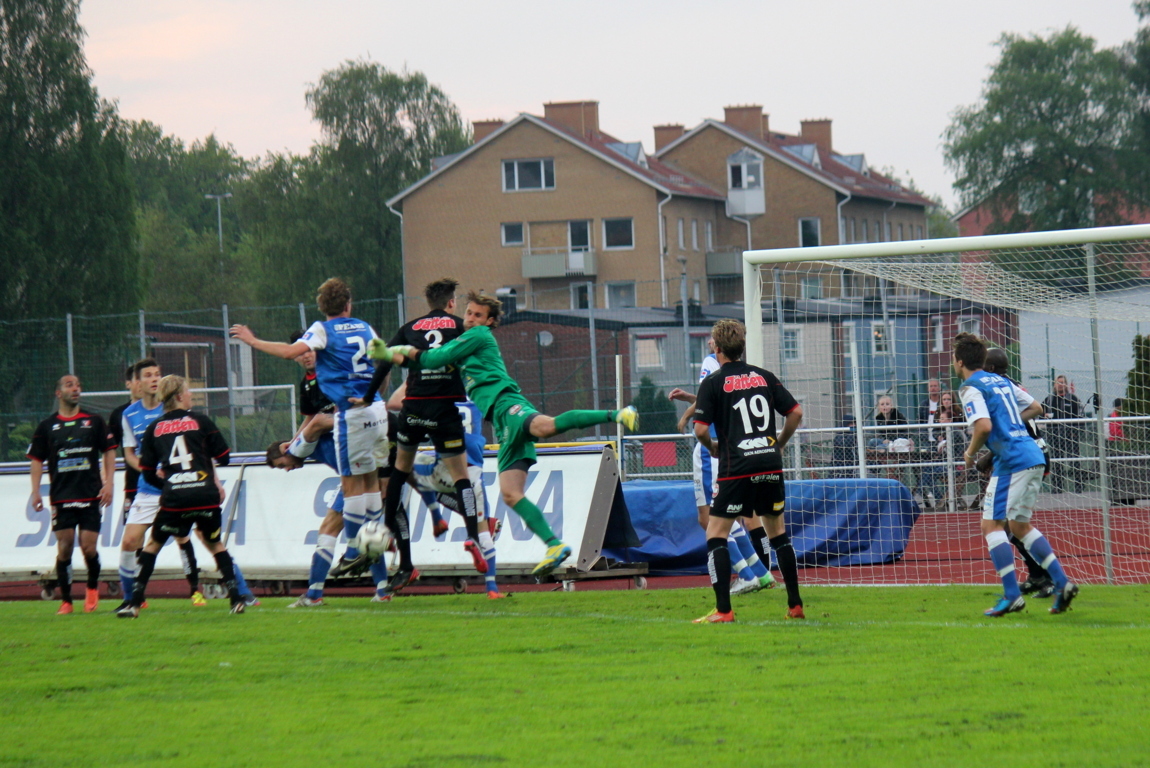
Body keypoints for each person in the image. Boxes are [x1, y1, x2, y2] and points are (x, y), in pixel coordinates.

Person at [377, 290, 639, 578]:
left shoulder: (477, 335)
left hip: (506, 403)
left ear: (489, 321)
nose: (470, 318)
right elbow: (428, 361)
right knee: (512, 494)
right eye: (468, 313)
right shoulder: (465, 340)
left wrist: (393, 352)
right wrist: (397, 356)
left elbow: (434, 357)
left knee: (545, 426)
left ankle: (617, 414)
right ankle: (554, 545)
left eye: (478, 315)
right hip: (500, 423)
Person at [230, 277, 389, 588]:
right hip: (378, 411)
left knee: (352, 487)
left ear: (323, 307)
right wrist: (372, 395)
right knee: (371, 485)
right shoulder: (365, 327)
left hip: (351, 415)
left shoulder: (323, 330)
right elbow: (384, 361)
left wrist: (253, 341)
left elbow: (289, 352)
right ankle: (375, 561)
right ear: (348, 304)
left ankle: (355, 551)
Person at [343, 278, 487, 586]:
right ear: (451, 302)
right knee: (461, 478)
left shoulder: (410, 327)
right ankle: (473, 538)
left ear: (429, 303)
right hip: (444, 409)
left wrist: (368, 396)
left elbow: (385, 361)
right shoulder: (462, 326)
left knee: (398, 473)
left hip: (414, 408)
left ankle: (394, 545)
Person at [954, 333, 1078, 617]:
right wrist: (1011, 425)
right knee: (1019, 526)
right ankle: (1061, 583)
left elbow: (983, 427)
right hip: (1035, 455)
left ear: (959, 362)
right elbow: (1036, 408)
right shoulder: (1001, 381)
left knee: (991, 526)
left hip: (1012, 460)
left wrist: (970, 453)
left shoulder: (970, 387)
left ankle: (1012, 595)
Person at [690, 319, 804, 623]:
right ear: (742, 346)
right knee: (778, 534)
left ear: (717, 348)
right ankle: (795, 606)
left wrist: (713, 447)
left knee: (716, 534)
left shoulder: (713, 382)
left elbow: (700, 430)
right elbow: (796, 412)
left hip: (736, 466)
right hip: (769, 462)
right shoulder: (764, 376)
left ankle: (724, 610)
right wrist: (779, 444)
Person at [116, 376, 244, 617]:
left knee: (152, 545)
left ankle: (134, 603)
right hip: (205, 495)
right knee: (215, 544)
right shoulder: (201, 421)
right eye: (187, 391)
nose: (190, 395)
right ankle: (236, 598)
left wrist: (167, 485)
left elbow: (147, 471)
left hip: (175, 499)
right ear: (178, 396)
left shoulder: (154, 428)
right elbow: (224, 457)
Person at [669, 338, 776, 598]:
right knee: (740, 516)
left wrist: (687, 415)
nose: (708, 340)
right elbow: (716, 398)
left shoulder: (711, 362)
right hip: (743, 450)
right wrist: (691, 399)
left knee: (711, 519)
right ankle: (761, 572)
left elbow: (708, 399)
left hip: (713, 450)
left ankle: (748, 575)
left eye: (713, 336)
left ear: (719, 345)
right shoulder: (747, 374)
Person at [27, 375, 115, 614]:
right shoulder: (47, 426)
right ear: (58, 393)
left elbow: (109, 451)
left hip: (90, 494)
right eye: (69, 385)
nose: (76, 389)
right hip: (61, 496)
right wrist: (35, 492)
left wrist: (109, 483)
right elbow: (36, 460)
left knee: (89, 548)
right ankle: (66, 601)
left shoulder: (94, 421)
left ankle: (92, 589)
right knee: (64, 547)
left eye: (78, 385)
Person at [980, 348, 1054, 597]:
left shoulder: (999, 387)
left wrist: (987, 456)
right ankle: (1038, 575)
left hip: (1025, 456)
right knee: (1012, 524)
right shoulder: (1009, 385)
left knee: (1006, 524)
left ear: (990, 368)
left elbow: (1013, 426)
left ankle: (1048, 577)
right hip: (1031, 453)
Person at [919, 391, 966, 509]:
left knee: (929, 472)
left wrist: (942, 449)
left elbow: (956, 452)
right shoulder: (943, 431)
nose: (939, 421)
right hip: (945, 461)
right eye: (944, 399)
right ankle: (941, 499)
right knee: (926, 470)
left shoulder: (955, 432)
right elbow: (936, 434)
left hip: (955, 464)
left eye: (942, 419)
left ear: (950, 420)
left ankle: (940, 499)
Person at [1043, 375, 1084, 493]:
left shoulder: (1073, 399)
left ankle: (1078, 486)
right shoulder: (1049, 400)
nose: (1060, 385)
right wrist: (1044, 416)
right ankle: (1058, 487)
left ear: (1066, 384)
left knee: (1075, 462)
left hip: (1071, 437)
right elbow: (1040, 413)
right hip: (1055, 437)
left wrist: (1075, 433)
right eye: (1058, 382)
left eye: (1062, 382)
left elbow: (1081, 417)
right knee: (1057, 462)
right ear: (1054, 385)